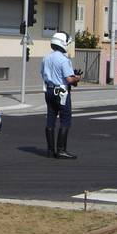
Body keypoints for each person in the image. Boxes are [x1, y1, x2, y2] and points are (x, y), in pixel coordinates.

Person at [40, 31, 81, 160]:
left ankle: (50, 150)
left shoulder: (46, 58)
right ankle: (61, 150)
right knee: (65, 119)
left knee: (50, 119)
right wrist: (77, 77)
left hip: (49, 90)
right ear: (63, 43)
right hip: (61, 92)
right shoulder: (64, 59)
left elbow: (43, 74)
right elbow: (69, 80)